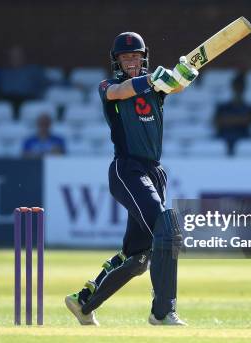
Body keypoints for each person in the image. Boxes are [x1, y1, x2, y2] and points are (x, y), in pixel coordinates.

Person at [64, 32, 198, 326]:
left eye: (136, 57)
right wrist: (151, 80)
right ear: (117, 62)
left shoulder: (157, 86)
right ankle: (162, 312)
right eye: (126, 58)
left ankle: (83, 302)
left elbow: (173, 86)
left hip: (154, 171)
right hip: (127, 170)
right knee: (167, 228)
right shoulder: (109, 86)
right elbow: (121, 92)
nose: (132, 62)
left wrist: (185, 74)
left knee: (138, 256)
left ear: (144, 58)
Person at [214, 75, 251, 155]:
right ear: (232, 88)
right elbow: (217, 121)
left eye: (240, 87)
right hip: (223, 135)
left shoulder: (249, 108)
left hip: (243, 136)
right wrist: (240, 120)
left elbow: (250, 122)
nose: (238, 90)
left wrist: (227, 120)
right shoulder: (222, 107)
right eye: (236, 87)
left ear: (244, 88)